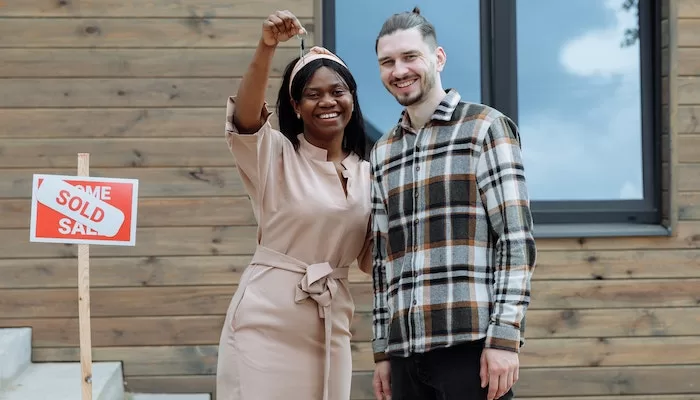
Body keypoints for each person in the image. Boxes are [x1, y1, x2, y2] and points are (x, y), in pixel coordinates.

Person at [368, 7, 538, 400]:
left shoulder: (485, 128)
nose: (399, 71)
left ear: (438, 58)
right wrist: (383, 350)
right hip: (405, 356)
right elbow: (381, 262)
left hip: (472, 350)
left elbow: (515, 241)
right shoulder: (383, 152)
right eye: (387, 62)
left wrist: (504, 339)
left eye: (410, 57)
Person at [215, 9, 373, 400]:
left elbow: (375, 257)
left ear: (352, 97)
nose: (327, 102)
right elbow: (247, 117)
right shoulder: (276, 155)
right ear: (296, 106)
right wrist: (266, 47)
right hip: (266, 320)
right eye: (313, 94)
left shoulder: (372, 171)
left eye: (338, 91)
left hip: (332, 320)